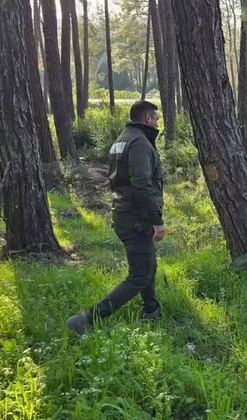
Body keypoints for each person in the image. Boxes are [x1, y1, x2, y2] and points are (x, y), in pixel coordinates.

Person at [67, 101, 165, 334]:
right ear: (148, 119)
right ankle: (86, 319)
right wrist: (156, 220)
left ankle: (151, 310)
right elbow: (141, 185)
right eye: (157, 118)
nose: (159, 122)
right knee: (139, 275)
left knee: (147, 266)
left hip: (124, 214)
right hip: (136, 218)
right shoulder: (140, 142)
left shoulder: (123, 138)